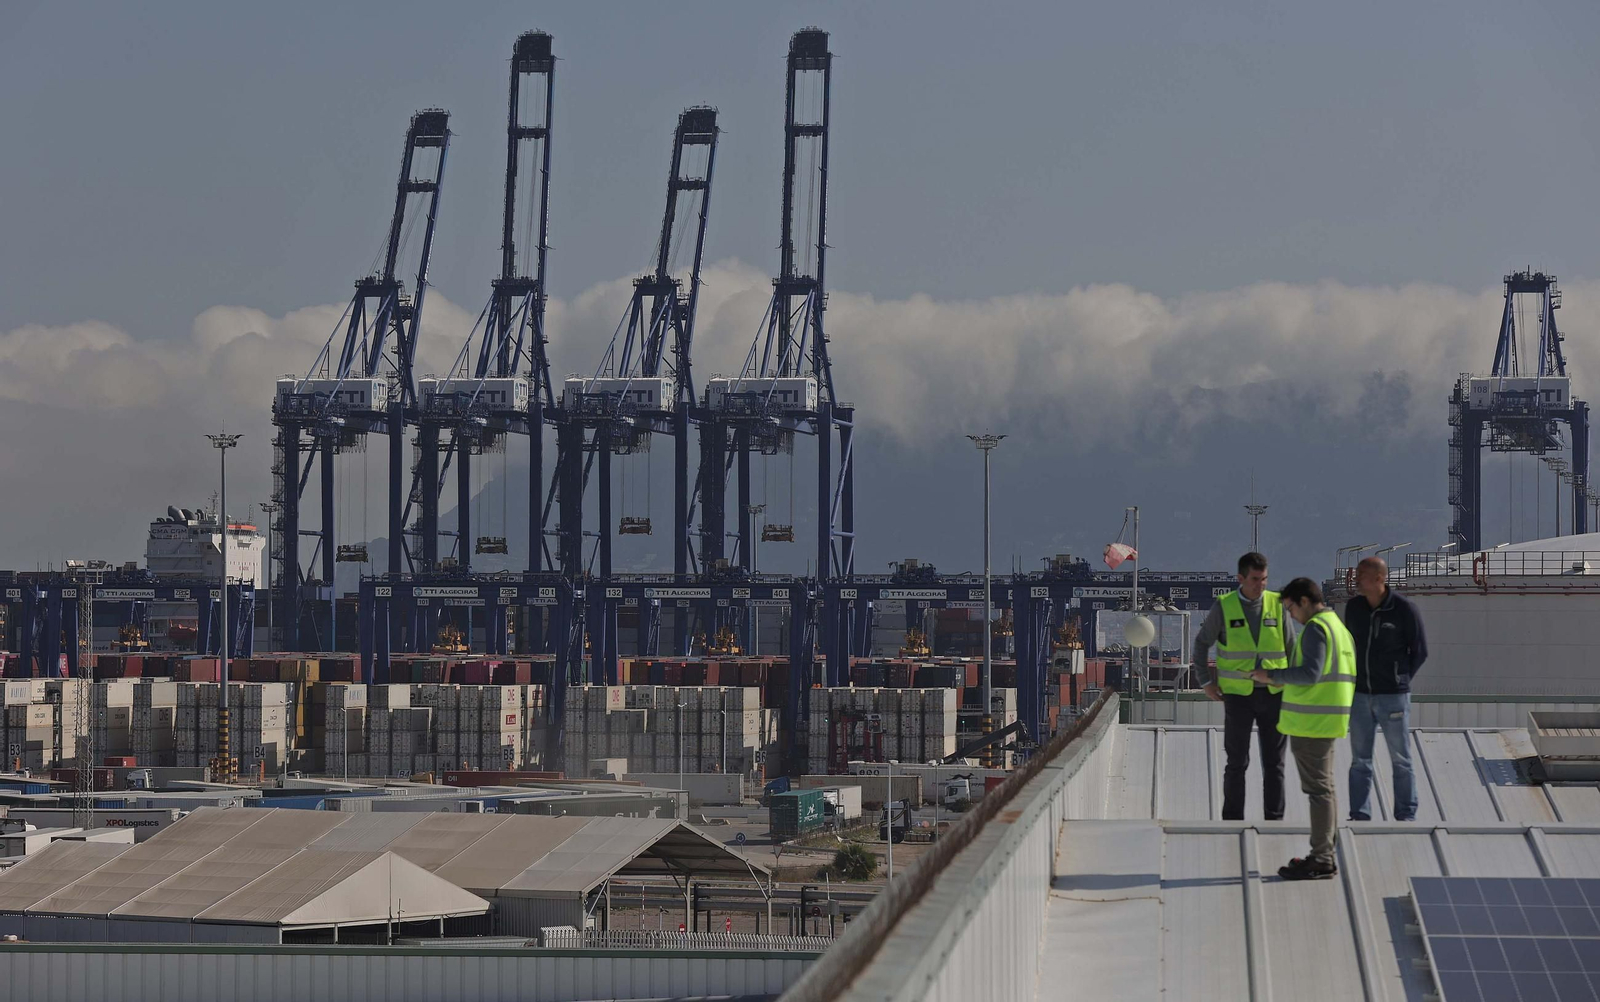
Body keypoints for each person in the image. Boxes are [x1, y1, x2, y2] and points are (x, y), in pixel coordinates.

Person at [1252, 576, 1356, 880]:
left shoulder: (1316, 628)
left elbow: (1310, 673)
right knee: (1325, 789)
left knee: (1319, 791)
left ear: (1305, 601)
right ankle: (1324, 855)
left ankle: (1322, 858)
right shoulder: (1338, 628)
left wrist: (1272, 676)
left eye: (1291, 608)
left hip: (1312, 723)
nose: (1291, 616)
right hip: (1328, 719)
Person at [1193, 552, 1294, 821]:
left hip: (1273, 693)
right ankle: (1232, 821)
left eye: (1264, 579)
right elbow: (1201, 643)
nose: (1261, 585)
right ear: (1240, 578)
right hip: (1238, 696)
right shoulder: (1225, 606)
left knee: (1275, 763)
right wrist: (1205, 682)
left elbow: (1291, 648)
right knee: (1237, 762)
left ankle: (1274, 820)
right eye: (1255, 579)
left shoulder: (1277, 604)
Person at [1343, 556, 1427, 821]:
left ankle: (1406, 814)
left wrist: (1399, 679)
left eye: (1362, 574)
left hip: (1393, 697)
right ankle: (1359, 814)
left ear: (1379, 578)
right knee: (1360, 760)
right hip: (1360, 695)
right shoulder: (1354, 608)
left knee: (1401, 759)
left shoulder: (1404, 609)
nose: (1356, 579)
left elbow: (1420, 651)